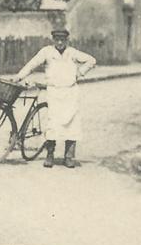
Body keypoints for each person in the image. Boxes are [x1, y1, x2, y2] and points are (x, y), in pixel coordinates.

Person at [15, 28, 96, 168]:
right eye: (57, 39)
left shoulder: (72, 53)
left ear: (66, 40)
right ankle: (50, 155)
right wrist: (19, 76)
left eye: (62, 40)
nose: (60, 42)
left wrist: (79, 73)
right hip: (53, 92)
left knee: (72, 124)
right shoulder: (47, 52)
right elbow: (32, 64)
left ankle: (69, 157)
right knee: (52, 124)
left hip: (70, 92)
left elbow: (91, 60)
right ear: (53, 40)